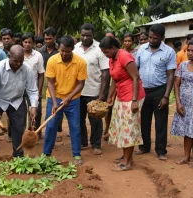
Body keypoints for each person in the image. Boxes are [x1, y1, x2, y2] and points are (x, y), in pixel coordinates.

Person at [0, 45, 38, 161]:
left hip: (17, 101)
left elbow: (32, 90)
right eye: (15, 61)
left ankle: (18, 156)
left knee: (18, 130)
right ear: (9, 57)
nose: (18, 64)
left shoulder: (27, 69)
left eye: (21, 61)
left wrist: (33, 106)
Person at [100, 36, 145, 171]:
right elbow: (114, 78)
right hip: (121, 95)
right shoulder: (112, 59)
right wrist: (110, 96)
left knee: (128, 128)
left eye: (106, 52)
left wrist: (135, 100)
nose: (105, 55)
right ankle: (128, 157)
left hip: (132, 96)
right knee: (121, 126)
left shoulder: (125, 56)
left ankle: (126, 162)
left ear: (113, 48)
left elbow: (136, 77)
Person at [43, 35, 87, 166]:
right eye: (62, 50)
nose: (64, 53)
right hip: (54, 97)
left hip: (73, 99)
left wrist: (68, 98)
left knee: (75, 126)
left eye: (67, 51)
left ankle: (77, 154)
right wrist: (55, 103)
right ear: (59, 48)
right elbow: (50, 82)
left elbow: (80, 84)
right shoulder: (52, 60)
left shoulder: (80, 62)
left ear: (72, 49)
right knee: (51, 126)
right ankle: (46, 154)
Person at [135, 24, 176, 160]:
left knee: (160, 122)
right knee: (144, 121)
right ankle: (144, 147)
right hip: (143, 91)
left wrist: (166, 96)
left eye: (155, 38)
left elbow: (170, 74)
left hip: (159, 91)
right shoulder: (141, 49)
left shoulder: (169, 52)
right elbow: (136, 69)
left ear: (162, 38)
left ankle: (161, 151)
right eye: (150, 37)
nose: (152, 40)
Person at [73, 24, 109, 154]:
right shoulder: (75, 48)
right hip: (77, 91)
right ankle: (83, 142)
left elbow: (105, 72)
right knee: (79, 119)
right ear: (79, 34)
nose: (85, 37)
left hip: (94, 90)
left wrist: (102, 93)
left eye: (88, 35)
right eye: (83, 35)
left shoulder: (99, 48)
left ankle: (95, 144)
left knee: (95, 119)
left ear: (93, 35)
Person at [37, 27, 63, 141]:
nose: (47, 41)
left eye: (50, 38)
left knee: (58, 108)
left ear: (55, 38)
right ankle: (41, 131)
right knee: (47, 107)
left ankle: (56, 131)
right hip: (44, 80)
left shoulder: (60, 50)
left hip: (59, 80)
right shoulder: (39, 52)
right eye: (46, 39)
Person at [171, 40, 193, 167]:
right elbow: (177, 84)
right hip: (186, 104)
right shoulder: (183, 66)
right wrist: (178, 102)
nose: (190, 53)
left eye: (192, 51)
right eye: (188, 50)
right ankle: (186, 156)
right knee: (188, 130)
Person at [22, 32, 45, 139]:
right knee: (21, 112)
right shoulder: (18, 54)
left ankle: (35, 133)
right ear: (22, 43)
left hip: (34, 88)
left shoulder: (38, 55)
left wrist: (39, 91)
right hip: (20, 89)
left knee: (36, 111)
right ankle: (23, 134)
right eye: (25, 42)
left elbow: (41, 74)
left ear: (33, 43)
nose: (27, 44)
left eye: (29, 42)